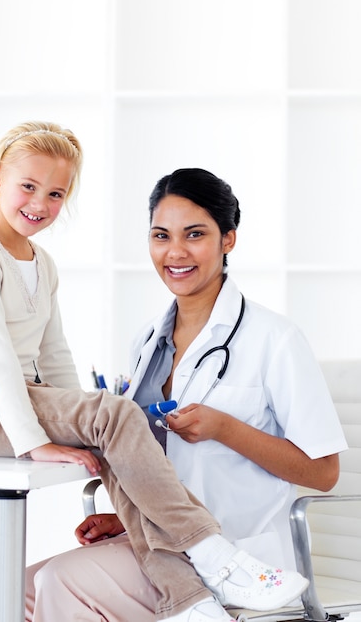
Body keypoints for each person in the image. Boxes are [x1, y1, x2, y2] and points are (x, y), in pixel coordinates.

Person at [0, 128, 308, 622]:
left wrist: (78, 417)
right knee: (116, 414)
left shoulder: (41, 262)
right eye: (28, 186)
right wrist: (35, 442)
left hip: (23, 398)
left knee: (111, 426)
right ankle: (212, 557)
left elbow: (56, 351)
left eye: (56, 193)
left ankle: (189, 603)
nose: (39, 202)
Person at [25, 167, 348, 622]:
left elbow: (324, 472)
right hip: (163, 541)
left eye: (194, 234)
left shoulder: (274, 339)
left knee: (60, 580)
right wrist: (127, 519)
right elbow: (151, 464)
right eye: (161, 236)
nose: (175, 252)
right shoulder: (147, 342)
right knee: (18, 588)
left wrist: (224, 428)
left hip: (238, 549)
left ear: (228, 240)